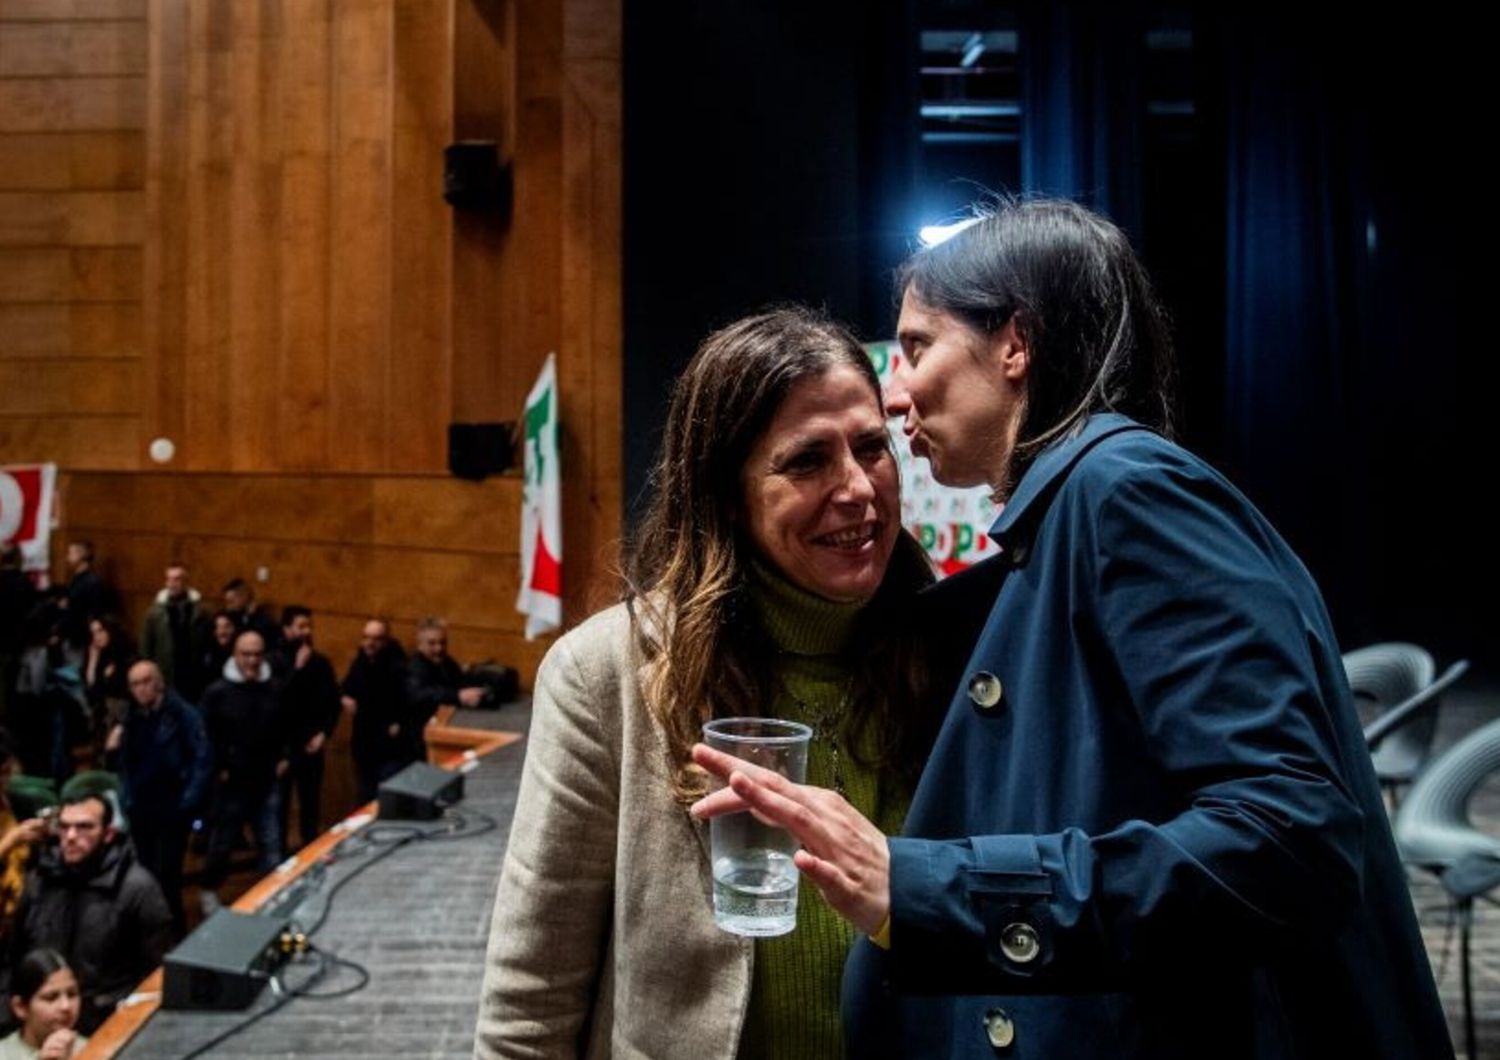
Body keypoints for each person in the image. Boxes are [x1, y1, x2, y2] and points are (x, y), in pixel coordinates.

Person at [691, 200, 1452, 1059]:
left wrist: (924, 888)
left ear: (1015, 344)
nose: (896, 391)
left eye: (915, 348)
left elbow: (1288, 834)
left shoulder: (1126, 491)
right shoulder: (1075, 509)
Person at [474, 308, 938, 1058]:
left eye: (871, 448)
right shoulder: (608, 675)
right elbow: (532, 995)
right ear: (726, 493)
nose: (857, 488)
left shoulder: (952, 653)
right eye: (807, 461)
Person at [7, 794, 172, 1034]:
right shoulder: (40, 880)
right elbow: (15, 957)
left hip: (107, 1022)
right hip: (40, 1021)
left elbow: (157, 976)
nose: (71, 837)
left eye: (84, 827)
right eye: (64, 827)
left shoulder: (138, 888)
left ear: (108, 834)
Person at [115, 661, 212, 937]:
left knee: (169, 875)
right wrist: (127, 798)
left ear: (159, 682)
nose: (141, 689)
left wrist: (187, 802)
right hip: (141, 806)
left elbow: (202, 759)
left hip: (172, 806)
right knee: (145, 874)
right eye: (135, 684)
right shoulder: (131, 716)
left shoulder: (183, 714)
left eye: (146, 681)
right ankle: (152, 934)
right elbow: (125, 763)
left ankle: (175, 934)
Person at [197, 630, 291, 914]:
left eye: (256, 654)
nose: (251, 661)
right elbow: (206, 736)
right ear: (235, 655)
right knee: (222, 842)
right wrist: (219, 768)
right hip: (232, 782)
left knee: (271, 842)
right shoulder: (217, 693)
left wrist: (285, 756)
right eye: (245, 655)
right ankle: (209, 889)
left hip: (267, 779)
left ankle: (271, 897)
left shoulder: (275, 688)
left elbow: (287, 725)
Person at [272, 606, 341, 849]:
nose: (306, 632)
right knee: (279, 807)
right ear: (287, 629)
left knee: (310, 805)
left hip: (312, 744)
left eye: (309, 626)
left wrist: (324, 733)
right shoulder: (275, 661)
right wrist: (297, 670)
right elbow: (277, 700)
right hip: (283, 746)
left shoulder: (321, 663)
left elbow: (333, 702)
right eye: (300, 627)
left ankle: (309, 852)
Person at [340, 618, 411, 803]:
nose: (369, 643)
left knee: (385, 803)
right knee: (364, 800)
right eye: (366, 637)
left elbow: (410, 702)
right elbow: (345, 687)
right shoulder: (360, 662)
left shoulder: (399, 667)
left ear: (386, 641)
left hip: (389, 749)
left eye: (376, 639)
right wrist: (344, 697)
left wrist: (399, 722)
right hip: (364, 746)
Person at [402, 617, 484, 761]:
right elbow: (418, 695)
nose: (439, 648)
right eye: (432, 643)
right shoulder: (414, 667)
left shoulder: (446, 662)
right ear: (420, 644)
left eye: (442, 642)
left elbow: (460, 682)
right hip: (419, 744)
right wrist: (457, 696)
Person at [138, 563, 212, 700]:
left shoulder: (202, 611)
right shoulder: (154, 613)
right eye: (169, 579)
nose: (172, 584)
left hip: (193, 675)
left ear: (186, 582)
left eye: (177, 579)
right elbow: (146, 646)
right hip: (166, 674)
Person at [0, 950, 86, 1060]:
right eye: (51, 998)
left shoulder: (99, 1048)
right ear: (20, 1007)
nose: (66, 1006)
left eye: (72, 994)